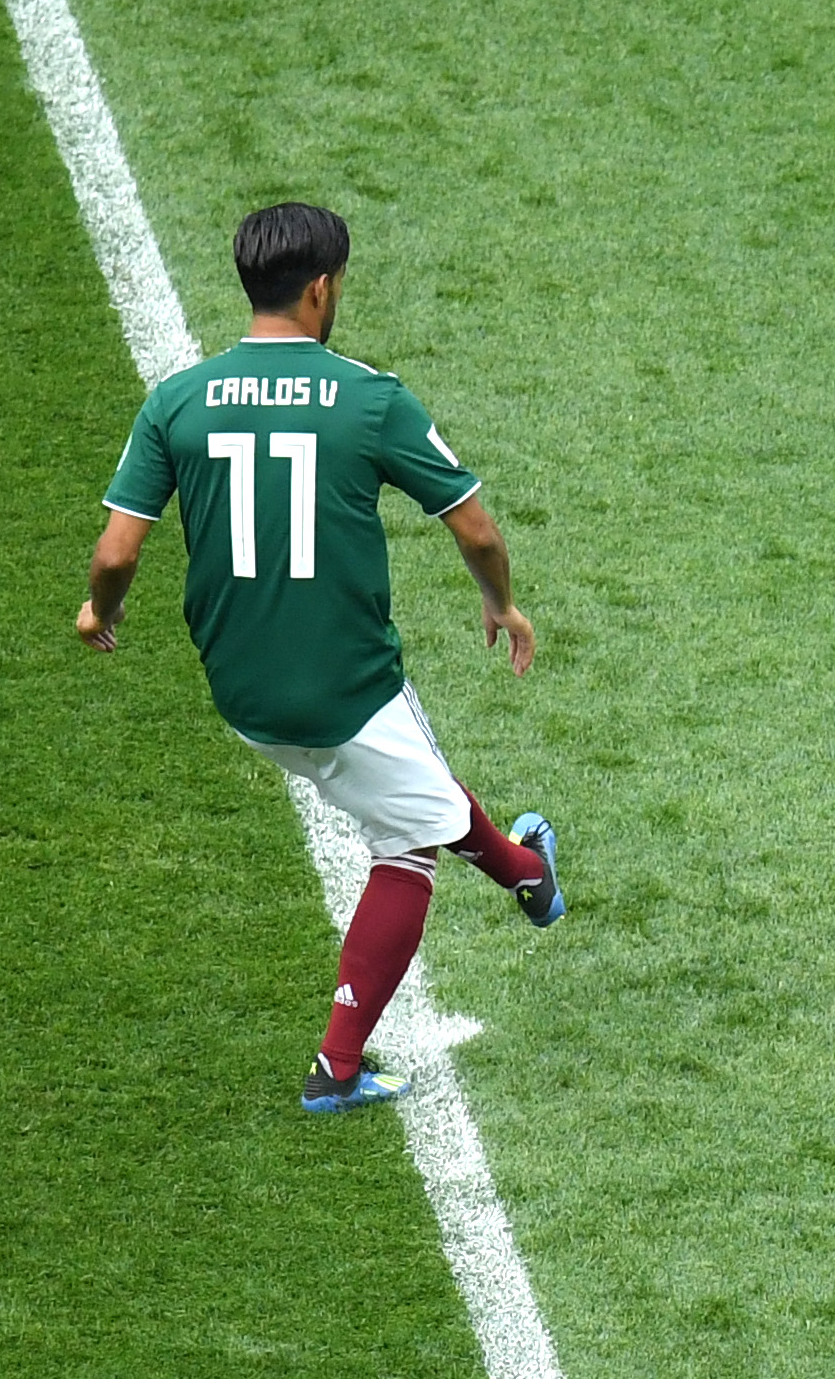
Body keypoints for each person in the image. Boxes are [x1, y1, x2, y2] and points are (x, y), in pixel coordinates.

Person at [80, 204, 562, 1112]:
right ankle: (338, 1067)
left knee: (407, 779)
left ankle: (528, 873)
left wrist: (95, 613)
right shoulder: (370, 397)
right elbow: (477, 527)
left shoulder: (176, 401)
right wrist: (501, 601)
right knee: (408, 841)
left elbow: (115, 555)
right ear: (320, 288)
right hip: (344, 686)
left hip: (243, 692)